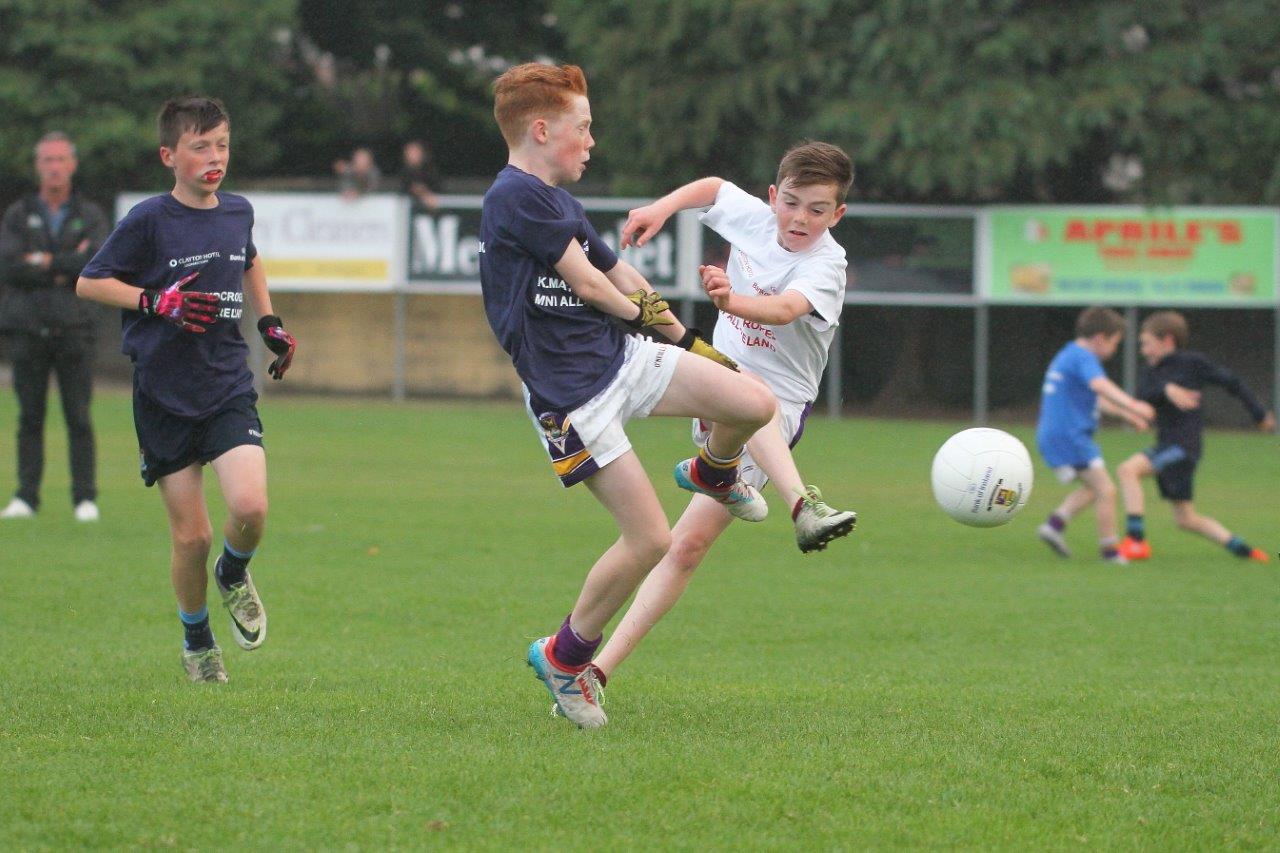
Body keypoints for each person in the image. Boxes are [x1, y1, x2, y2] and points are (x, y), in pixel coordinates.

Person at [480, 62, 777, 729]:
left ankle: (712, 469)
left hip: (621, 357)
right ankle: (563, 657)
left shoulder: (560, 202)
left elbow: (619, 271)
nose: (592, 140)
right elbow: (591, 286)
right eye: (582, 128)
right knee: (648, 539)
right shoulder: (512, 196)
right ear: (541, 129)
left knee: (752, 401)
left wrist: (685, 339)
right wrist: (637, 316)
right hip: (571, 397)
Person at [590, 141, 861, 680]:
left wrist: (729, 299)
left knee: (685, 546)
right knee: (734, 386)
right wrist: (659, 209)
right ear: (772, 197)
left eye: (817, 209)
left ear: (837, 215)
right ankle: (792, 501)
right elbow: (711, 188)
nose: (800, 218)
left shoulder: (828, 263)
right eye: (791, 202)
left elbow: (785, 310)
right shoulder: (756, 220)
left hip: (778, 410)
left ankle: (594, 670)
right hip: (712, 376)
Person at [76, 96, 298, 684]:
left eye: (222, 144)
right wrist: (154, 301)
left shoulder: (237, 210)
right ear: (169, 155)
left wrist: (269, 321)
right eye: (200, 146)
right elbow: (90, 282)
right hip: (163, 394)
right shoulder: (149, 219)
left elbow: (248, 260)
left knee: (250, 507)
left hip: (226, 383)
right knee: (192, 536)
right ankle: (197, 639)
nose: (214, 157)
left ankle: (234, 573)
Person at [0, 132, 109, 521]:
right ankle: (26, 496)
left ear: (72, 165)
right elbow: (9, 266)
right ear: (37, 166)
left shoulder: (90, 214)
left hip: (75, 328)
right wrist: (65, 262)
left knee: (78, 416)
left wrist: (42, 261)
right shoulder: (17, 213)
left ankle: (85, 498)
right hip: (27, 329)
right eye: (47, 160)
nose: (54, 167)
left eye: (61, 159)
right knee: (29, 417)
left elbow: (96, 264)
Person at [1116, 310, 1273, 562]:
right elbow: (1142, 395)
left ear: (1167, 340)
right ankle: (1245, 551)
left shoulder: (1192, 364)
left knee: (1127, 470)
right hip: (1170, 446)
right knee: (1186, 519)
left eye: (1147, 344)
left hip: (1182, 446)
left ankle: (1135, 541)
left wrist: (1259, 415)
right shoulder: (1151, 373)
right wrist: (1165, 389)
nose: (1143, 351)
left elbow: (1233, 383)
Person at [1034, 306, 1155, 564]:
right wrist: (1134, 405)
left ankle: (1054, 526)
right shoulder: (1084, 357)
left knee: (1092, 488)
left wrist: (1126, 415)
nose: (1114, 349)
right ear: (1100, 338)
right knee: (1106, 489)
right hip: (1070, 436)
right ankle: (1110, 552)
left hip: (1057, 435)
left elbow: (1094, 399)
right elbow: (1099, 386)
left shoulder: (1069, 354)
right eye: (1114, 343)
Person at [400, 139, 442, 212]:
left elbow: (438, 188)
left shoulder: (430, 171)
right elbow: (406, 188)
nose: (411, 155)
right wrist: (422, 193)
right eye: (409, 152)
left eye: (414, 152)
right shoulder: (404, 173)